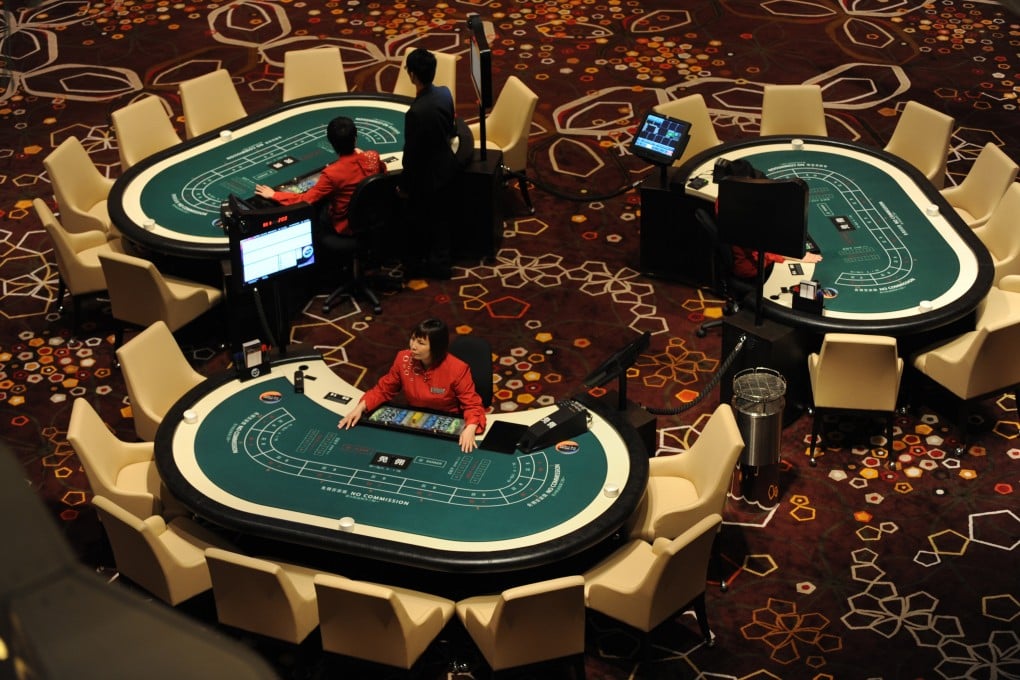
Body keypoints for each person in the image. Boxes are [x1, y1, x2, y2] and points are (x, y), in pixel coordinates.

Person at [338, 318, 487, 452]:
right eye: (413, 339)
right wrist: (360, 407)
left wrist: (470, 427)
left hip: (446, 422)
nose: (413, 346)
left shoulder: (457, 369)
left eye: (421, 343)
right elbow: (383, 389)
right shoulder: (403, 359)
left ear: (436, 347)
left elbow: (472, 405)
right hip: (414, 421)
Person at [254, 116, 385, 235]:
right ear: (355, 138)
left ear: (330, 142)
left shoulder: (331, 173)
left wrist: (274, 195)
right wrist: (363, 155)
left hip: (347, 226)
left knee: (318, 211)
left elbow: (306, 200)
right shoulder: (372, 156)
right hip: (375, 217)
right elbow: (382, 173)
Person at [398, 48, 458, 279]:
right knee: (442, 222)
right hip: (447, 168)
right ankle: (441, 262)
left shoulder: (415, 113)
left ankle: (418, 265)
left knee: (419, 219)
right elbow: (450, 128)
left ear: (412, 75)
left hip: (427, 178)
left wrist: (404, 187)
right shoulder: (445, 93)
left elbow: (412, 156)